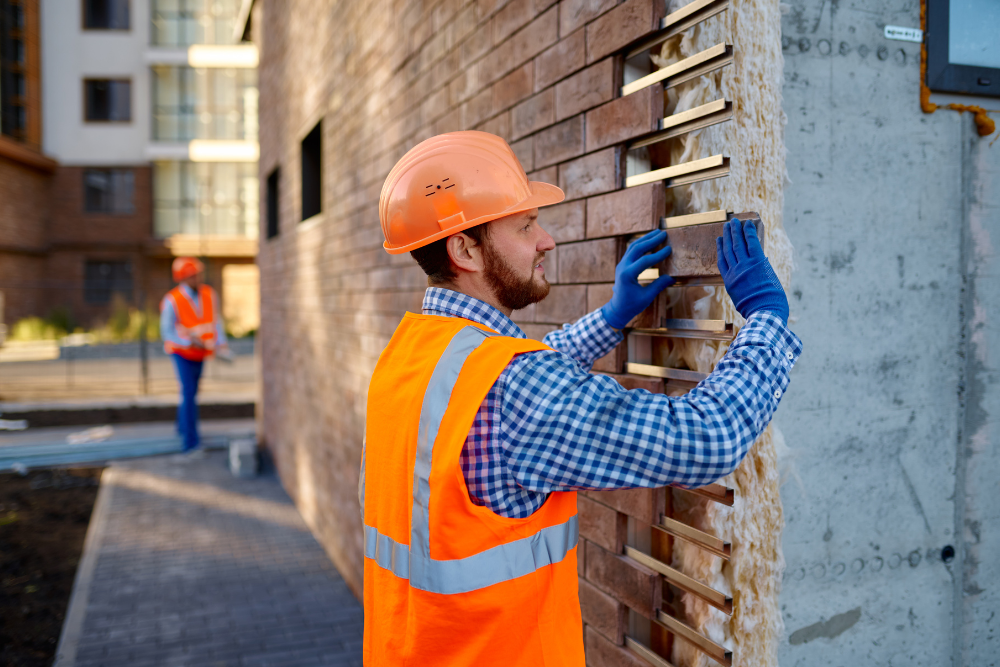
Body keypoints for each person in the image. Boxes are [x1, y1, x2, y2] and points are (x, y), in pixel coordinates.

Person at [361, 131, 801, 665]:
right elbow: (706, 440)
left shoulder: (409, 358)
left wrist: (614, 316)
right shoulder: (514, 387)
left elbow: (519, 379)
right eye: (525, 226)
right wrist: (767, 322)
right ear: (465, 249)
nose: (546, 241)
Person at [160, 257, 229, 452]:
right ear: (183, 278)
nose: (197, 278)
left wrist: (221, 343)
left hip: (201, 352)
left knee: (190, 393)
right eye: (193, 275)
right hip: (181, 353)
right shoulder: (172, 299)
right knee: (188, 393)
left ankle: (182, 429)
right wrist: (187, 341)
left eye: (198, 274)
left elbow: (216, 322)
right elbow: (167, 331)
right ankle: (190, 441)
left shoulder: (208, 294)